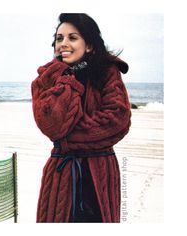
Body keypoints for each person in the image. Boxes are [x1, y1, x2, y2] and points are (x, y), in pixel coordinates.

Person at [31, 13, 131, 223]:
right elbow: (51, 125)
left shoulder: (108, 72)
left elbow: (117, 121)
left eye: (72, 38)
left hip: (100, 172)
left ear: (90, 45)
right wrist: (66, 78)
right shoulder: (46, 79)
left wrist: (66, 139)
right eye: (59, 39)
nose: (63, 44)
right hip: (61, 174)